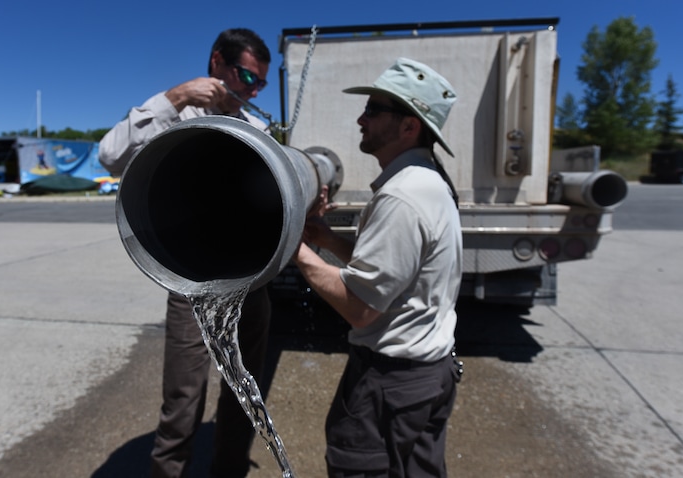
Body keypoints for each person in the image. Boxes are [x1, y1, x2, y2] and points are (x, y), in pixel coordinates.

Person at [99, 28, 272, 478]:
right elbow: (111, 155)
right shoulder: (176, 114)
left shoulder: (258, 128)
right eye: (246, 77)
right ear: (217, 63)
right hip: (194, 281)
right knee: (182, 400)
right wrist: (173, 98)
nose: (251, 90)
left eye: (259, 85)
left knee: (245, 397)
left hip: (253, 276)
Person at [293, 57, 464, 477]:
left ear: (410, 127)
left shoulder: (402, 196)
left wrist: (292, 249)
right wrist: (330, 241)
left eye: (373, 110)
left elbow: (361, 307)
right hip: (428, 376)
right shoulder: (427, 182)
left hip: (391, 384)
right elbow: (397, 276)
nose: (360, 119)